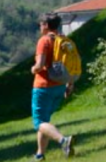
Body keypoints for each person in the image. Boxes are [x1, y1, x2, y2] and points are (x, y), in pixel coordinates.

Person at [30, 13, 75, 159]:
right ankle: (40, 155)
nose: (39, 27)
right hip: (59, 86)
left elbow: (40, 65)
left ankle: (63, 140)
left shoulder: (44, 41)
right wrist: (70, 83)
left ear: (46, 25)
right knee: (45, 122)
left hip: (43, 87)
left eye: (40, 24)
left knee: (40, 123)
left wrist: (33, 69)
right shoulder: (64, 41)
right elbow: (70, 64)